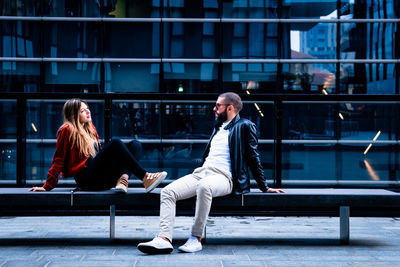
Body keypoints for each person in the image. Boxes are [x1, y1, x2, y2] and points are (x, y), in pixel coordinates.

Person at [137, 92, 285, 254]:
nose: (214, 109)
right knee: (167, 192)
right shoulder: (218, 127)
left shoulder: (245, 125)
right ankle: (164, 239)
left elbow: (253, 156)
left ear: (230, 108)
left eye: (218, 106)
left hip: (224, 177)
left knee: (204, 187)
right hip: (202, 173)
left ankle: (196, 238)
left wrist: (264, 186)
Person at [29, 98, 167, 193]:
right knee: (115, 143)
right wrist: (47, 186)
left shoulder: (90, 130)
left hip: (103, 179)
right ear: (74, 114)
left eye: (87, 109)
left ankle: (123, 179)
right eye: (83, 111)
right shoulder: (67, 129)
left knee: (135, 145)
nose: (88, 112)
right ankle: (145, 177)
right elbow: (58, 159)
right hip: (87, 180)